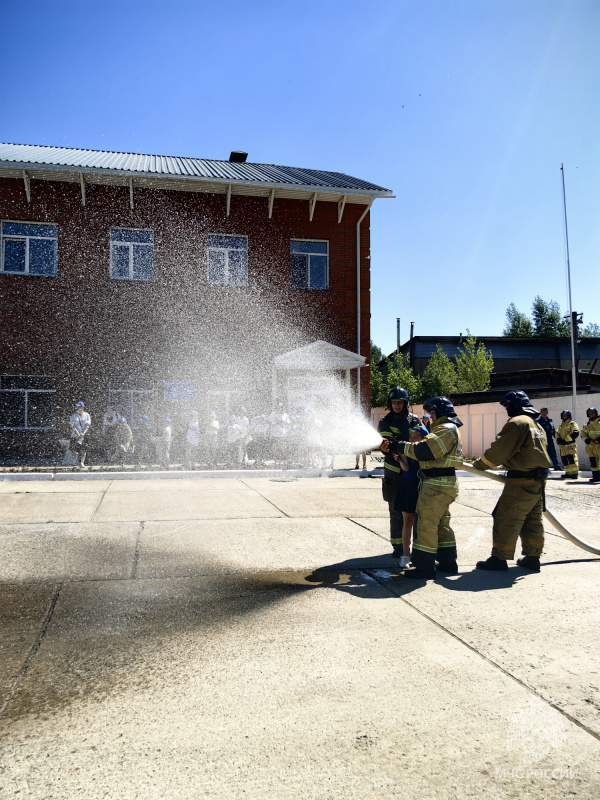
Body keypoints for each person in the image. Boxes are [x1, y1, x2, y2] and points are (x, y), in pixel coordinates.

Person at [382, 396, 463, 579]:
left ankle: (424, 567)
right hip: (443, 484)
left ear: (438, 412)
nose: (431, 417)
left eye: (432, 413)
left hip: (436, 486)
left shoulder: (445, 429)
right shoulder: (450, 429)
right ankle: (448, 562)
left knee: (425, 524)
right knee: (442, 526)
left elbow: (424, 450)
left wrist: (400, 445)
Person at [474, 391, 551, 573]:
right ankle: (533, 558)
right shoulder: (536, 425)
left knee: (507, 518)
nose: (507, 409)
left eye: (508, 405)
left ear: (516, 405)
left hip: (520, 481)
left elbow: (500, 450)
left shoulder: (517, 423)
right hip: (538, 480)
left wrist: (479, 464)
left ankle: (499, 558)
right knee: (532, 519)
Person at [377, 387, 420, 557]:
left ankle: (415, 545)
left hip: (411, 473)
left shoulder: (415, 420)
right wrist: (387, 448)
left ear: (405, 403)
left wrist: (400, 447)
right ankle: (397, 547)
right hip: (393, 474)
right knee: (395, 510)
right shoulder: (385, 421)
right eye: (394, 402)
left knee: (415, 510)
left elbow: (422, 440)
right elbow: (387, 445)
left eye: (399, 402)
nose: (396, 405)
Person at [395, 425, 429, 568]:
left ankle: (421, 555)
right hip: (408, 488)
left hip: (424, 488)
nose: (412, 440)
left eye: (416, 437)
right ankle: (405, 555)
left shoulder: (427, 452)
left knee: (423, 523)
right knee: (407, 521)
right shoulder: (406, 450)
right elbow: (406, 468)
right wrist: (401, 459)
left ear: (423, 439)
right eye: (411, 437)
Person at [556, 410, 579, 479]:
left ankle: (574, 474)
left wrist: (565, 440)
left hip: (570, 446)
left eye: (565, 415)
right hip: (563, 447)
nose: (564, 416)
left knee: (572, 459)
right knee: (565, 460)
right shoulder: (561, 425)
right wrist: (558, 439)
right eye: (563, 415)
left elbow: (575, 433)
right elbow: (557, 433)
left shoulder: (572, 423)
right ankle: (568, 473)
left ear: (568, 416)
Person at [69, 401, 91, 468]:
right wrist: (77, 433)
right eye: (76, 407)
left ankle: (82, 462)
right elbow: (72, 425)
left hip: (83, 435)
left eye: (78, 407)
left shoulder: (87, 415)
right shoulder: (74, 415)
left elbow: (87, 425)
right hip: (75, 435)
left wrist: (83, 433)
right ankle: (74, 463)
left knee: (83, 450)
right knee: (73, 450)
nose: (76, 408)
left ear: (82, 407)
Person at [582, 406, 600, 484]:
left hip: (599, 446)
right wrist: (589, 441)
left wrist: (598, 440)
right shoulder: (586, 425)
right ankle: (596, 477)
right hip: (591, 448)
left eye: (592, 413)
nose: (591, 415)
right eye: (590, 414)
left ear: (596, 413)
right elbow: (583, 434)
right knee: (593, 463)